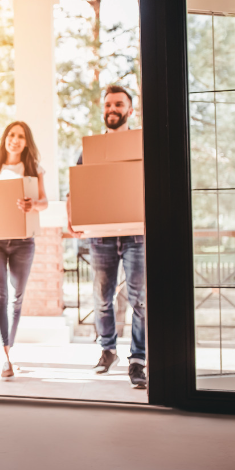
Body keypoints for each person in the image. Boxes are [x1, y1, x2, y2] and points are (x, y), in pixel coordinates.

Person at [67, 85, 147, 389]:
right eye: (108, 105)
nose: (112, 109)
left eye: (118, 104)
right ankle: (108, 350)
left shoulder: (140, 145)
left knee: (140, 300)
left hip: (136, 234)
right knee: (102, 298)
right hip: (100, 236)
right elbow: (75, 188)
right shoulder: (89, 150)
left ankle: (138, 359)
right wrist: (73, 219)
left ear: (129, 109)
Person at [0, 121, 48, 379]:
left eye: (20, 136)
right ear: (5, 138)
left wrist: (33, 205)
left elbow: (44, 202)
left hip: (23, 241)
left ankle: (8, 350)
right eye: (11, 134)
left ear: (26, 142)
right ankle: (3, 355)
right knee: (0, 296)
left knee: (16, 298)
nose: (14, 139)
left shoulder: (33, 169)